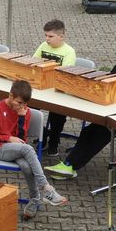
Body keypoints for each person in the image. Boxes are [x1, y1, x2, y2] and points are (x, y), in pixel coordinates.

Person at [47, 35, 116, 179]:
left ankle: (71, 166)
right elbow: (106, 82)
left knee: (100, 136)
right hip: (110, 108)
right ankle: (68, 165)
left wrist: (113, 89)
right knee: (87, 132)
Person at [0, 79, 67, 219]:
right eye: (19, 102)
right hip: (0, 149)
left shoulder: (24, 111)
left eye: (25, 103)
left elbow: (22, 138)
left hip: (18, 149)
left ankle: (35, 200)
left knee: (27, 166)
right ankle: (47, 188)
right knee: (28, 149)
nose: (21, 106)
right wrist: (8, 138)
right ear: (10, 96)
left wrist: (21, 118)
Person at [35, 19, 77, 157]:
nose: (47, 39)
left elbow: (63, 74)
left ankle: (53, 141)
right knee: (25, 107)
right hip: (42, 88)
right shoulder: (43, 45)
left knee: (57, 114)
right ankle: (44, 133)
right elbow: (34, 62)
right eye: (46, 35)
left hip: (60, 91)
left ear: (61, 36)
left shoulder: (69, 52)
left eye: (50, 36)